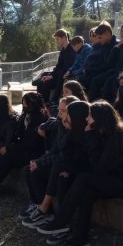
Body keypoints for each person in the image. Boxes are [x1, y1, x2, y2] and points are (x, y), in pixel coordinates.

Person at [36, 101, 123, 246]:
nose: (87, 119)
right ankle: (80, 236)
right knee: (86, 192)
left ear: (100, 118)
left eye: (90, 116)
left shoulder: (116, 137)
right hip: (112, 179)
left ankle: (61, 221)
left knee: (84, 179)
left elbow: (98, 169)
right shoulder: (103, 133)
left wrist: (89, 137)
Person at [21, 99, 89, 233]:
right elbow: (56, 149)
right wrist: (38, 161)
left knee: (58, 171)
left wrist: (40, 163)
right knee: (31, 169)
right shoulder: (63, 127)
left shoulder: (81, 132)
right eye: (60, 110)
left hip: (73, 168)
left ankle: (47, 210)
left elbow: (68, 157)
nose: (60, 114)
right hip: (64, 164)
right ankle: (40, 205)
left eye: (64, 111)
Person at [90, 22, 123, 102]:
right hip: (115, 70)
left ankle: (109, 106)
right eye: (121, 31)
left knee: (110, 83)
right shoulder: (118, 45)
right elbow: (110, 61)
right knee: (96, 80)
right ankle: (92, 104)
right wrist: (115, 49)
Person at [34, 29, 76, 104]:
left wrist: (53, 76)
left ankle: (53, 101)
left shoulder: (72, 49)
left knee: (52, 79)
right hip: (60, 72)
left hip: (66, 74)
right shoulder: (63, 50)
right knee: (43, 79)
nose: (56, 42)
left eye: (57, 39)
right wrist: (51, 75)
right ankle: (39, 102)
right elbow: (59, 65)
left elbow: (68, 66)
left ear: (64, 37)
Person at [78, 22, 117, 90]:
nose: (99, 40)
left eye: (100, 37)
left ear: (107, 34)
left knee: (94, 81)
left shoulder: (115, 46)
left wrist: (89, 70)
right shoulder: (104, 45)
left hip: (110, 72)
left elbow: (107, 65)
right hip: (98, 70)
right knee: (78, 81)